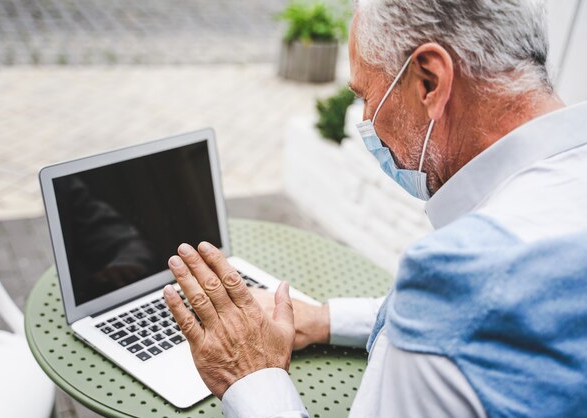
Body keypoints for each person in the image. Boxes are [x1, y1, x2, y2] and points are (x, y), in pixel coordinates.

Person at [163, 0, 587, 417]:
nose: (367, 119)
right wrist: (326, 319)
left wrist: (251, 374)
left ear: (428, 81)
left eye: (367, 96)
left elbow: (461, 313)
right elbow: (501, 335)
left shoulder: (456, 279)